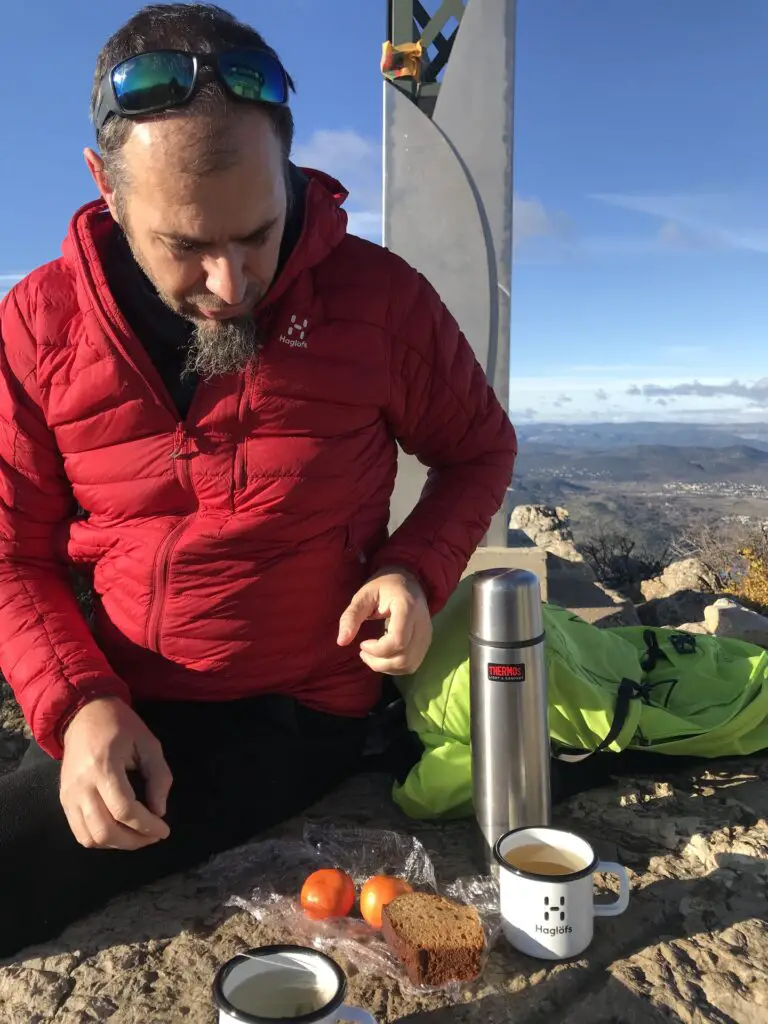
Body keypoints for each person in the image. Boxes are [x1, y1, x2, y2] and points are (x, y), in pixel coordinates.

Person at [0, 3, 516, 959]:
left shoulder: (378, 300)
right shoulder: (36, 328)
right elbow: (12, 556)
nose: (233, 283)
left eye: (258, 232)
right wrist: (79, 706)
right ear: (103, 189)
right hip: (123, 699)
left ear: (289, 170)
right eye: (186, 246)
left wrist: (412, 571)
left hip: (301, 710)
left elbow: (479, 448)